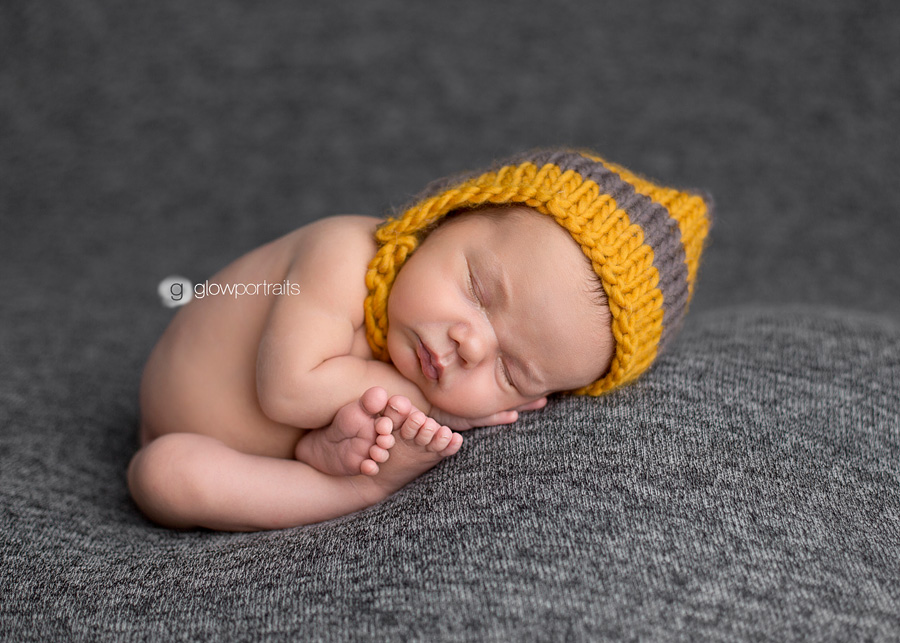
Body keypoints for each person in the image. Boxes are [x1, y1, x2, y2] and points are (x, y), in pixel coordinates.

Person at [127, 149, 712, 531]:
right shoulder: (342, 255)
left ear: (533, 403)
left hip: (222, 462)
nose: (471, 346)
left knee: (166, 476)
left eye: (511, 371)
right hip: (174, 409)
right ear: (445, 218)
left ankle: (333, 481)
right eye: (479, 292)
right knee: (153, 465)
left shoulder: (422, 382)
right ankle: (356, 492)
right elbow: (289, 391)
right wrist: (432, 404)